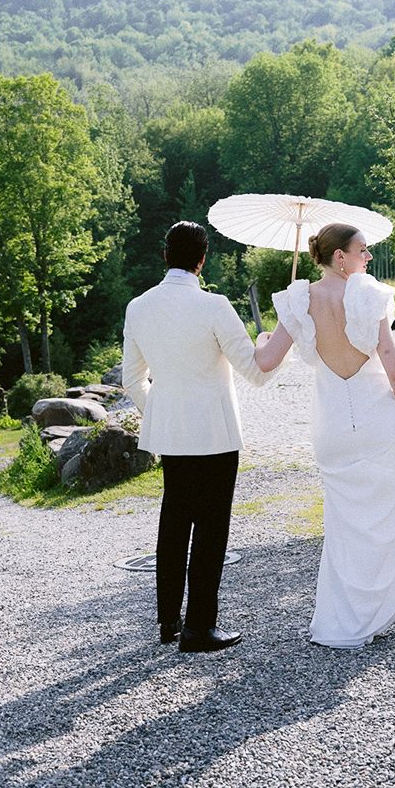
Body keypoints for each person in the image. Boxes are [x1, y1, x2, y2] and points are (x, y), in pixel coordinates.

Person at [253, 222, 395, 649]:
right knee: (389, 520)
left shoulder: (298, 299)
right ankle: (373, 611)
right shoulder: (367, 295)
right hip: (377, 421)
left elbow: (266, 361)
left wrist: (263, 336)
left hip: (332, 430)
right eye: (362, 250)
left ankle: (340, 622)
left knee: (344, 529)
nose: (369, 257)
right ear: (340, 257)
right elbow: (394, 369)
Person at [122, 220, 280, 652]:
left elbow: (132, 381)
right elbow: (256, 372)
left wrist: (163, 413)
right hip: (214, 436)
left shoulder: (138, 307)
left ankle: (168, 621)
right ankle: (199, 628)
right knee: (210, 531)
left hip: (171, 437)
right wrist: (269, 340)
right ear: (202, 259)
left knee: (173, 524)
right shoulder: (215, 306)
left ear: (165, 255)